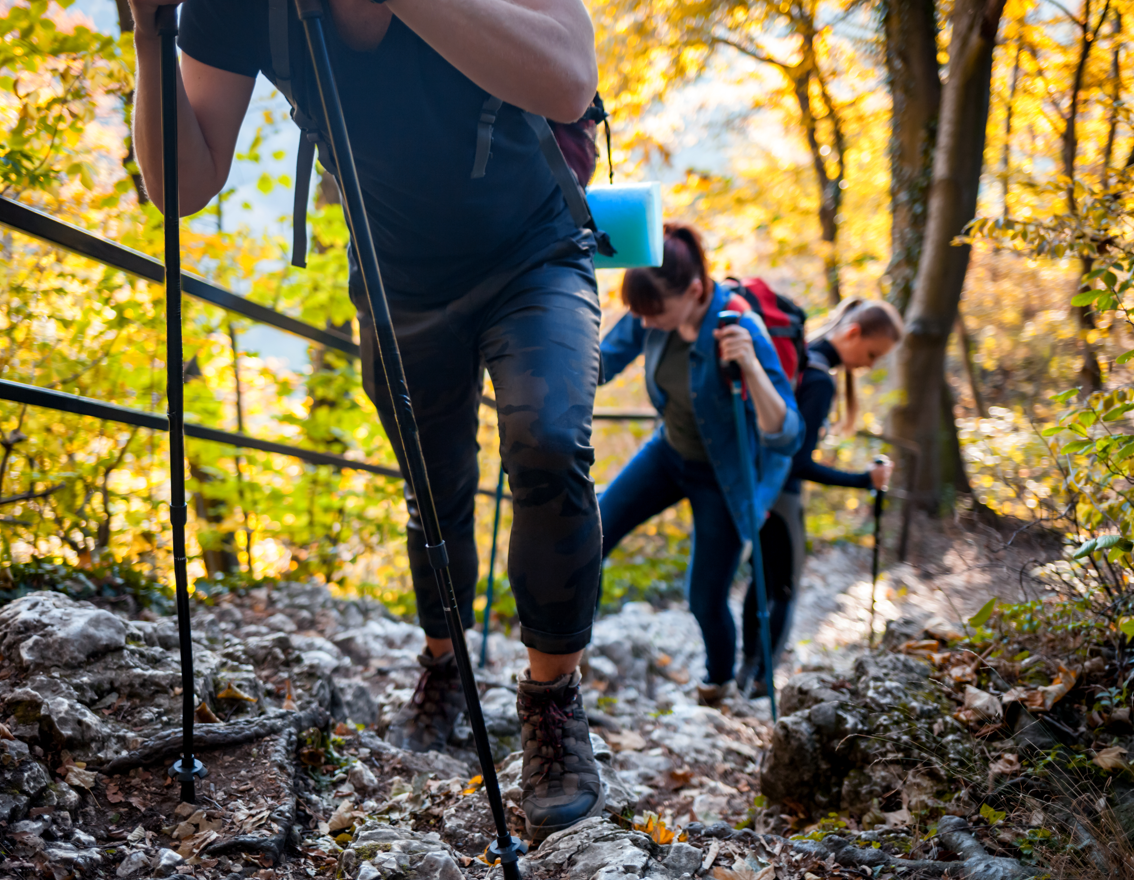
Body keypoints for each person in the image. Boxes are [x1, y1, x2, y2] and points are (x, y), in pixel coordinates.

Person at [128, 0, 606, 840]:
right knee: (435, 491)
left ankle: (553, 704)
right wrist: (147, 32)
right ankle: (443, 664)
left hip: (533, 251)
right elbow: (183, 186)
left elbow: (568, 82)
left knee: (549, 439)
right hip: (397, 282)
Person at [598, 225, 804, 705]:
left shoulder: (740, 327)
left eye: (656, 313)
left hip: (724, 477)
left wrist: (751, 366)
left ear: (694, 291)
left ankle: (717, 683)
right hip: (667, 453)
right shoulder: (651, 309)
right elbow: (602, 363)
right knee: (595, 532)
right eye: (640, 314)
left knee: (704, 596)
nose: (645, 324)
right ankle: (567, 652)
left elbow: (787, 431)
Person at [738, 297, 903, 697]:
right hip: (783, 497)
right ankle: (761, 681)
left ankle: (746, 670)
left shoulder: (799, 360)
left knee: (760, 580)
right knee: (784, 590)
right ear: (852, 333)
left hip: (755, 488)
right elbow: (797, 463)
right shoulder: (820, 379)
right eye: (872, 353)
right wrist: (863, 479)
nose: (870, 365)